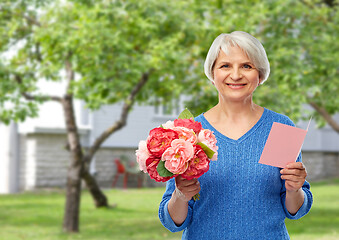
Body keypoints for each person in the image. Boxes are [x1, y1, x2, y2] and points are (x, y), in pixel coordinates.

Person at [158, 31, 313, 239]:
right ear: (212, 74)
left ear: (260, 75)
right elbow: (173, 222)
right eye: (225, 66)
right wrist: (180, 196)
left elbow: (295, 210)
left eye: (246, 66)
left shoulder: (281, 127)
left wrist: (294, 190)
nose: (236, 75)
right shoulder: (189, 133)